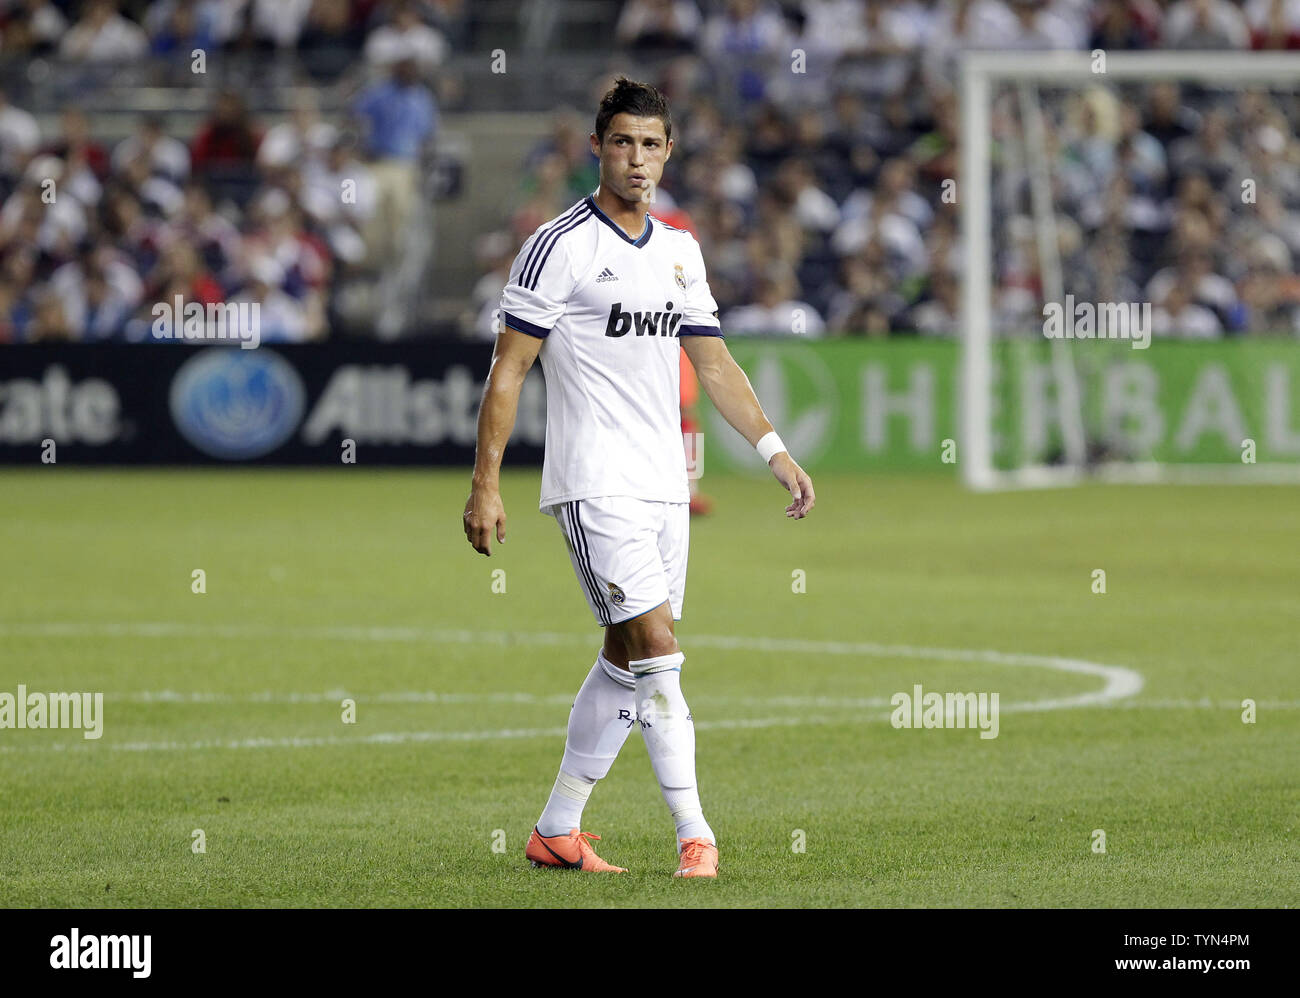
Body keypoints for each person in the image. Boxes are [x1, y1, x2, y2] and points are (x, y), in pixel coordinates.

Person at [462, 77, 816, 879]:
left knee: (626, 655)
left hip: (665, 483)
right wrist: (487, 483)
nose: (636, 159)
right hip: (593, 480)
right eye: (621, 142)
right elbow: (508, 370)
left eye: (651, 144)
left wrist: (774, 452)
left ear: (668, 153)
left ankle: (556, 830)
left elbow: (714, 363)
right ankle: (696, 834)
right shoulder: (560, 245)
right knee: (659, 648)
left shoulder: (680, 251)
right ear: (597, 148)